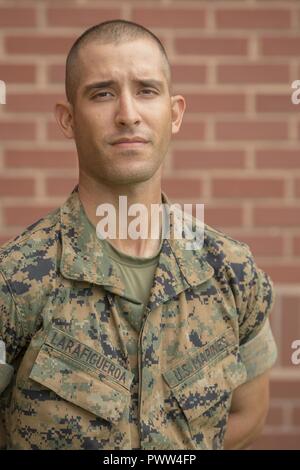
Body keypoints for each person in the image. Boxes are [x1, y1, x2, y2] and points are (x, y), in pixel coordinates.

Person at [0, 19, 277, 450]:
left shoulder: (231, 271)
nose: (127, 114)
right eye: (103, 93)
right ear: (68, 119)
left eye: (146, 90)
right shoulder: (15, 281)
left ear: (175, 113)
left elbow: (248, 413)